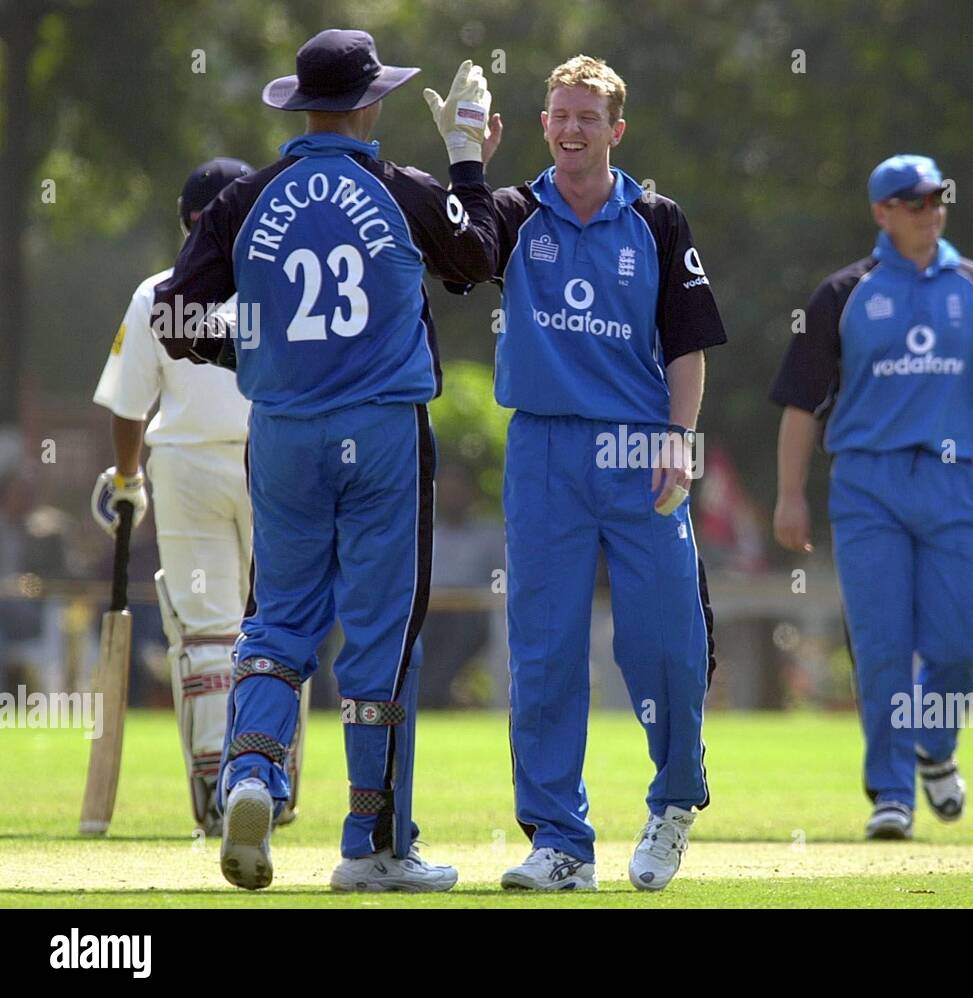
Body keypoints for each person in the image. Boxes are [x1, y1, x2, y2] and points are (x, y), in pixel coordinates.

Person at [152, 29, 500, 892]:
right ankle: (373, 847)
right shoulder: (395, 184)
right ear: (371, 103)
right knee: (381, 638)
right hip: (381, 433)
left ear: (303, 104)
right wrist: (465, 157)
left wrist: (262, 356)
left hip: (283, 433)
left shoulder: (246, 197)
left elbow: (175, 315)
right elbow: (478, 255)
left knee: (277, 623)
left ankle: (249, 775)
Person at [465, 54, 726, 892]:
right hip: (543, 448)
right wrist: (467, 159)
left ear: (617, 129)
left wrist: (680, 439)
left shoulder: (655, 218)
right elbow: (459, 254)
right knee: (543, 650)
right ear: (542, 125)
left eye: (589, 117)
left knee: (665, 643)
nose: (572, 129)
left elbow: (687, 345)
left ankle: (675, 799)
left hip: (641, 447)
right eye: (559, 115)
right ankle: (560, 841)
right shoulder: (511, 211)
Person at [771, 154, 973, 841]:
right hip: (866, 486)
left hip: (953, 482)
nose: (929, 209)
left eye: (936, 198)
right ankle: (891, 794)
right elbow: (801, 404)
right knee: (882, 647)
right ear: (881, 212)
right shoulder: (844, 293)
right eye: (913, 201)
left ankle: (935, 742)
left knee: (960, 642)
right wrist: (788, 495)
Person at [91, 158, 308, 836]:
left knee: (210, 632)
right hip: (276, 460)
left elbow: (129, 405)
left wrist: (127, 478)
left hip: (185, 468)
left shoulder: (158, 290)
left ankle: (221, 788)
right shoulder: (288, 285)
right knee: (278, 623)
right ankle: (270, 781)